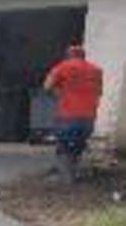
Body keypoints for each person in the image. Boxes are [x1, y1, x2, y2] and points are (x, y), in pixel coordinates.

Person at [44, 45, 103, 183]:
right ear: (83, 56)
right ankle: (73, 173)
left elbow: (47, 86)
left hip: (67, 116)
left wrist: (58, 93)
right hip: (89, 118)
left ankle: (66, 178)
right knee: (78, 144)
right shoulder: (96, 70)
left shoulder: (62, 67)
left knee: (64, 145)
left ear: (68, 55)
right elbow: (99, 92)